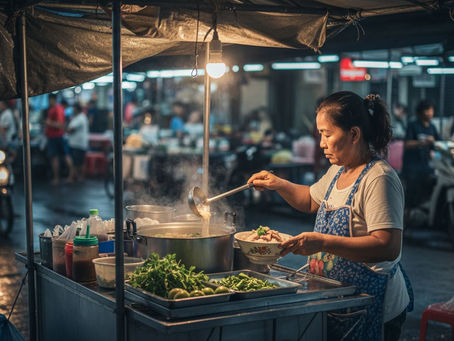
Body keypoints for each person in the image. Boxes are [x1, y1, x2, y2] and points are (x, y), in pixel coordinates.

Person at [248, 91, 413, 341]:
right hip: (338, 297)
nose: (322, 143)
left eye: (327, 134)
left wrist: (322, 242)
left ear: (354, 134)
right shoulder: (338, 170)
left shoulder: (378, 178)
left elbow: (387, 246)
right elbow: (310, 200)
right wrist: (278, 183)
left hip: (373, 304)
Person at [402, 100, 440, 208]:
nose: (429, 113)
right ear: (420, 112)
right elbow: (407, 144)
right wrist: (423, 142)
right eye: (427, 110)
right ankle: (407, 218)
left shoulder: (432, 127)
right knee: (411, 196)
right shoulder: (413, 125)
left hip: (426, 166)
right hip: (412, 167)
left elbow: (439, 142)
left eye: (431, 110)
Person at [45, 94, 74, 185]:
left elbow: (61, 125)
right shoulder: (58, 109)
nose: (49, 102)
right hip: (57, 136)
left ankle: (58, 178)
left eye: (50, 100)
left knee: (56, 158)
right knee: (65, 156)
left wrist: (49, 123)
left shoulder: (56, 109)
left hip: (56, 137)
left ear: (52, 99)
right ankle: (70, 176)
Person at [66, 103, 89, 182]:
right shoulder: (77, 117)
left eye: (74, 108)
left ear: (77, 109)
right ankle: (76, 176)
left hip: (79, 144)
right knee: (76, 162)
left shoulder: (81, 118)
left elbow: (70, 129)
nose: (73, 110)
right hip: (75, 143)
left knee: (78, 162)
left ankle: (79, 177)